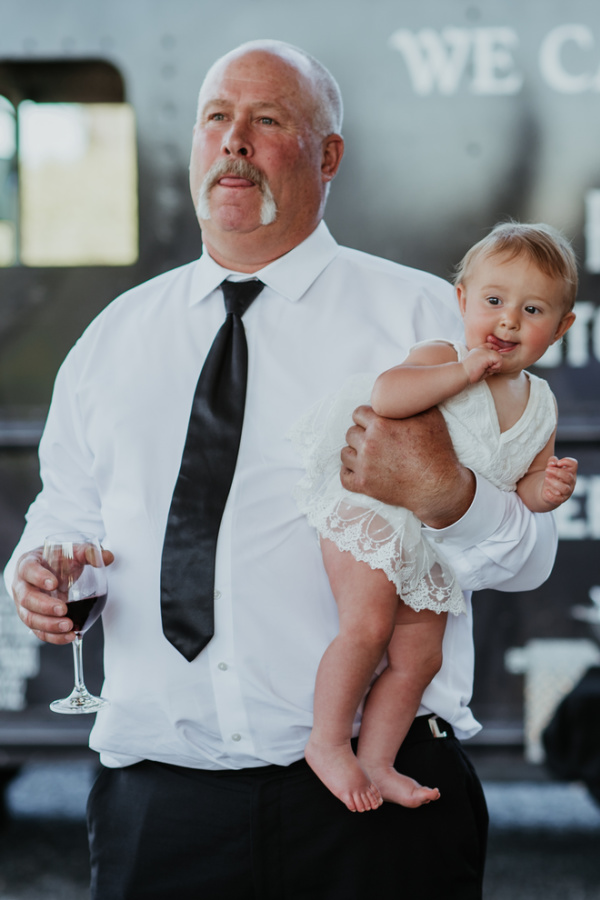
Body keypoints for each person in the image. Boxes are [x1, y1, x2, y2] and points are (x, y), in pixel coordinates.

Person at [4, 40, 559, 900]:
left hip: (376, 809)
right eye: (216, 119)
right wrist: (35, 573)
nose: (234, 142)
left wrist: (444, 494)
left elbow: (530, 558)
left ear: (328, 155)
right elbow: (62, 511)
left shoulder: (429, 323)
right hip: (159, 812)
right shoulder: (115, 337)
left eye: (268, 121)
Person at [291, 221, 577, 814]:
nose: (507, 321)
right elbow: (389, 396)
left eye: (532, 310)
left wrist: (544, 491)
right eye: (494, 302)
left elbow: (520, 487)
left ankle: (377, 759)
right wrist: (461, 373)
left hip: (431, 544)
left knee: (423, 656)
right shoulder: (442, 355)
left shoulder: (541, 405)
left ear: (562, 327)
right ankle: (327, 742)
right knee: (367, 629)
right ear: (462, 301)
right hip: (372, 513)